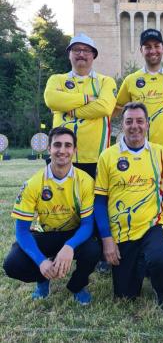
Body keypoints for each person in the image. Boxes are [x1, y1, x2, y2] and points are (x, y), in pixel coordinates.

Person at [94, 102, 163, 311]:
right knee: (125, 295)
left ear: (147, 124)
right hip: (121, 233)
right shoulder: (107, 156)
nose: (135, 126)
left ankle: (162, 290)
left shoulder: (160, 153)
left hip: (153, 225)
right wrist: (107, 240)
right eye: (129, 121)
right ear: (122, 125)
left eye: (140, 121)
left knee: (161, 258)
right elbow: (99, 202)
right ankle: (140, 265)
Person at [3, 127, 100, 304]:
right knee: (12, 264)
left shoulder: (86, 181)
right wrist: (41, 262)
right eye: (57, 145)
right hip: (45, 234)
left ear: (74, 150)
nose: (62, 150)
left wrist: (70, 246)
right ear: (49, 149)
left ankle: (77, 285)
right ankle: (43, 279)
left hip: (74, 234)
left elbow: (87, 225)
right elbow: (22, 231)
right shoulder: (33, 183)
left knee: (94, 249)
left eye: (68, 145)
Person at [116, 29, 163, 248]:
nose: (152, 50)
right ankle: (135, 245)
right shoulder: (131, 80)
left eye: (156, 46)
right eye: (148, 47)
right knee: (138, 199)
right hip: (140, 154)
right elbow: (119, 108)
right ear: (141, 51)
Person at [43, 33, 117, 179]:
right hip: (62, 156)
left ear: (93, 55)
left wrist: (68, 108)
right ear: (69, 54)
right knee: (61, 201)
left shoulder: (106, 81)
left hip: (96, 158)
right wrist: (86, 99)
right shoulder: (56, 79)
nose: (81, 54)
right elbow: (51, 99)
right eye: (76, 50)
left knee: (95, 201)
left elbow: (105, 108)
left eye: (86, 50)